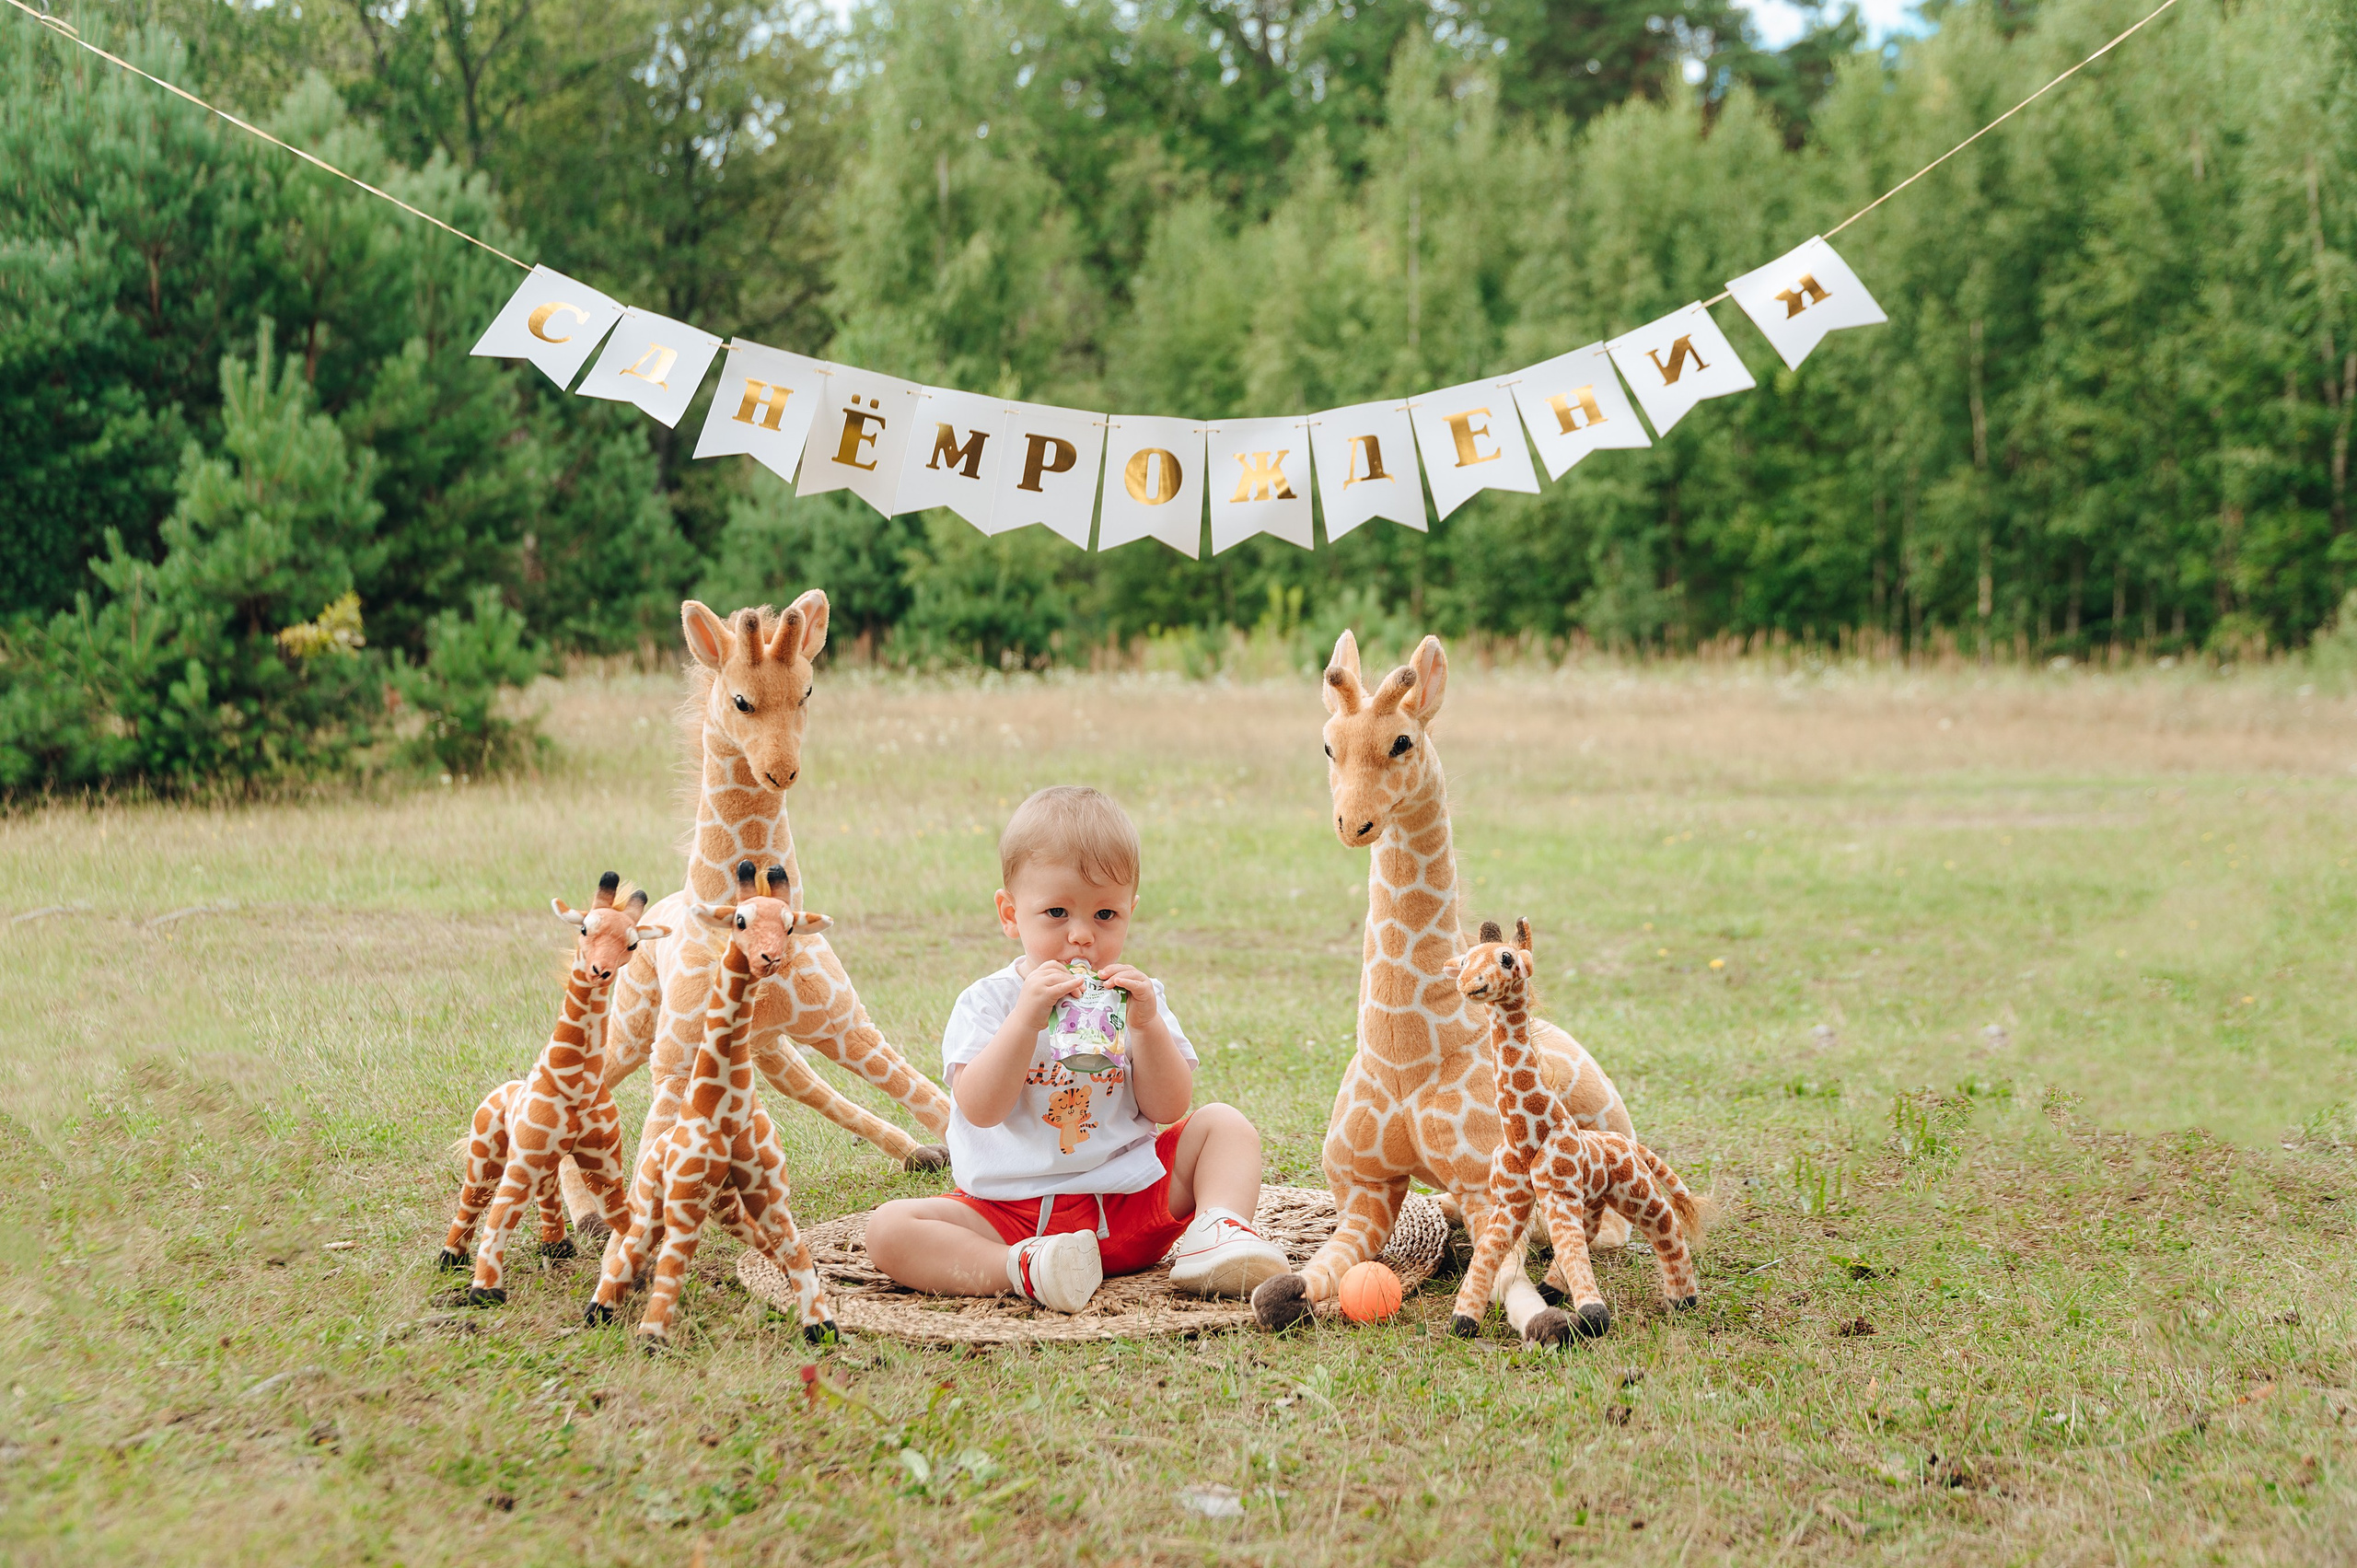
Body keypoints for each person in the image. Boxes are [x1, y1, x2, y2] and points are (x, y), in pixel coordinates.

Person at [864, 785, 1289, 1311]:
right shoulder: (988, 1003)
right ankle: (1028, 1269)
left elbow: (1169, 1106)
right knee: (890, 1228)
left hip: (1129, 1200)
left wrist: (1146, 1026)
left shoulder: (1138, 999)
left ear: (1130, 912)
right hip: (1010, 1215)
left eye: (1105, 915)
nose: (1082, 935)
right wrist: (1024, 1021)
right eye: (1057, 912)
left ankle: (1217, 1234)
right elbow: (979, 1108)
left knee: (1224, 1125)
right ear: (1010, 913)